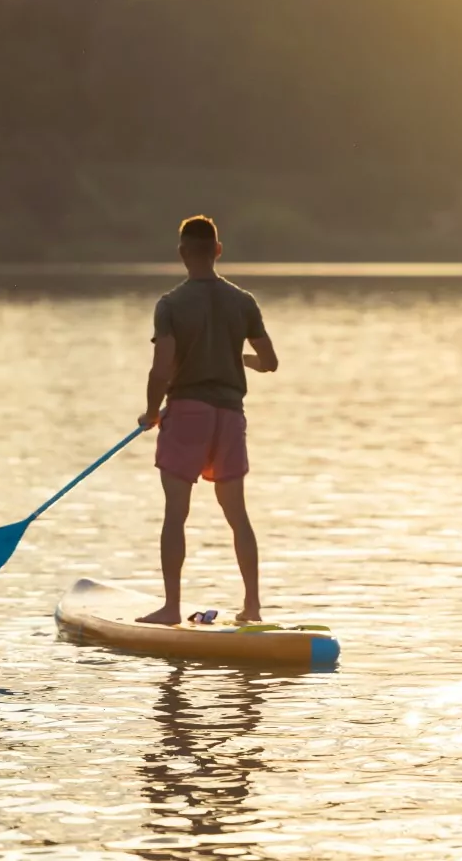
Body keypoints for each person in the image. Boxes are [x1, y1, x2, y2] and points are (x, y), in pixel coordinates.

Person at [134, 215, 278, 626]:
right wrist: (237, 358)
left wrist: (150, 412)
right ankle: (252, 608)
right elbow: (269, 363)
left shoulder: (171, 304)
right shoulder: (243, 301)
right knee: (238, 517)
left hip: (187, 416)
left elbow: (161, 369)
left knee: (176, 514)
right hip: (230, 417)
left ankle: (170, 608)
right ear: (217, 250)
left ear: (181, 254)